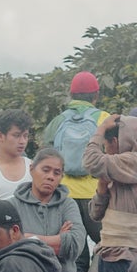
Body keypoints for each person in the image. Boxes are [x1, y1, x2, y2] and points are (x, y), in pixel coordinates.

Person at [83, 113, 137, 272]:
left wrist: (101, 128)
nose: (105, 151)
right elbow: (95, 214)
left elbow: (91, 161)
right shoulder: (118, 171)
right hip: (109, 253)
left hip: (129, 255)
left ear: (115, 142)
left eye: (105, 145)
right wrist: (102, 191)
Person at [13, 147, 89, 272]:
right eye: (45, 170)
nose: (50, 177)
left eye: (56, 173)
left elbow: (75, 245)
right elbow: (7, 246)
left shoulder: (68, 205)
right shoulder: (13, 206)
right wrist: (58, 240)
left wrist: (27, 238)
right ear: (31, 169)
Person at [49, 71, 108, 230]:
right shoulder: (105, 119)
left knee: (75, 250)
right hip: (97, 195)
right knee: (108, 248)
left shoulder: (59, 120)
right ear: (96, 95)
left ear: (71, 94)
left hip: (65, 195)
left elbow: (46, 154)